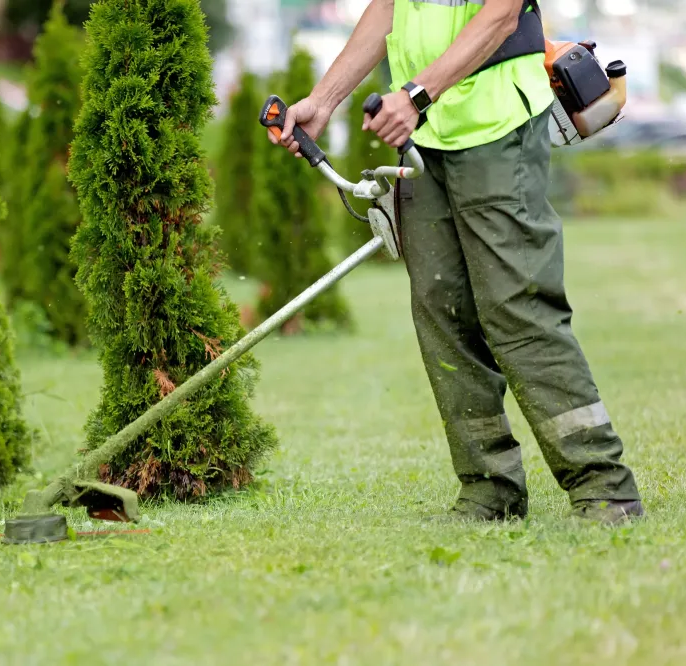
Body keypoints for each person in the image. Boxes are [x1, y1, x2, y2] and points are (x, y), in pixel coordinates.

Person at [268, 0, 643, 524]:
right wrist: (325, 101)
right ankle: (491, 490)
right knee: (442, 310)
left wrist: (416, 95)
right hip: (425, 138)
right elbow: (388, 9)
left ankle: (605, 488)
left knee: (519, 306)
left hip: (496, 127)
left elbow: (501, 15)